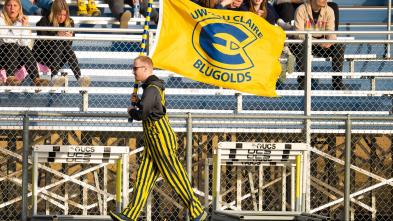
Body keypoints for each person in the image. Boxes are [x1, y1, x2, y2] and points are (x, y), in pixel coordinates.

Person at [109, 56, 207, 221]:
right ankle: (130, 215)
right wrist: (139, 102)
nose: (133, 72)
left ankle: (197, 211)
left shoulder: (152, 88)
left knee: (174, 176)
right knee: (143, 179)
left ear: (146, 68)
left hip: (160, 139)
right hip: (152, 141)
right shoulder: (150, 88)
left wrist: (132, 110)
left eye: (135, 68)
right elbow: (150, 107)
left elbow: (143, 114)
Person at [33, 0, 91, 87]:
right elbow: (42, 42)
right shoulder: (44, 21)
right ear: (53, 12)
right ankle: (56, 76)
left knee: (64, 43)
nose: (61, 17)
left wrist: (69, 38)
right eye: (59, 14)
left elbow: (68, 46)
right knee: (59, 42)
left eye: (64, 15)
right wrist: (56, 35)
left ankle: (79, 78)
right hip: (43, 55)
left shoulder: (70, 22)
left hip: (59, 57)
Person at [291, 0, 345, 90]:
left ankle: (337, 83)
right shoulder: (301, 9)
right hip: (304, 42)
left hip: (321, 43)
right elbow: (298, 34)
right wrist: (318, 42)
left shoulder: (329, 10)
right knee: (300, 46)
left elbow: (331, 32)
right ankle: (303, 83)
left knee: (339, 47)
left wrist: (330, 41)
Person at [0, 0, 49, 86]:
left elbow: (24, 43)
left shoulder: (22, 21)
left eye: (15, 5)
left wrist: (24, 26)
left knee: (24, 48)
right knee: (12, 45)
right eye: (9, 5)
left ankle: (36, 79)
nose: (12, 8)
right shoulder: (1, 19)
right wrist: (18, 24)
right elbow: (7, 40)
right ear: (5, 7)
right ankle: (10, 77)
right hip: (2, 57)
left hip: (15, 59)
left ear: (19, 8)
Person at [273, 0, 339, 30]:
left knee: (333, 6)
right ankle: (289, 42)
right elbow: (278, 1)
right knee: (287, 6)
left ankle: (332, 35)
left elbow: (328, 1)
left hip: (310, 5)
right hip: (290, 6)